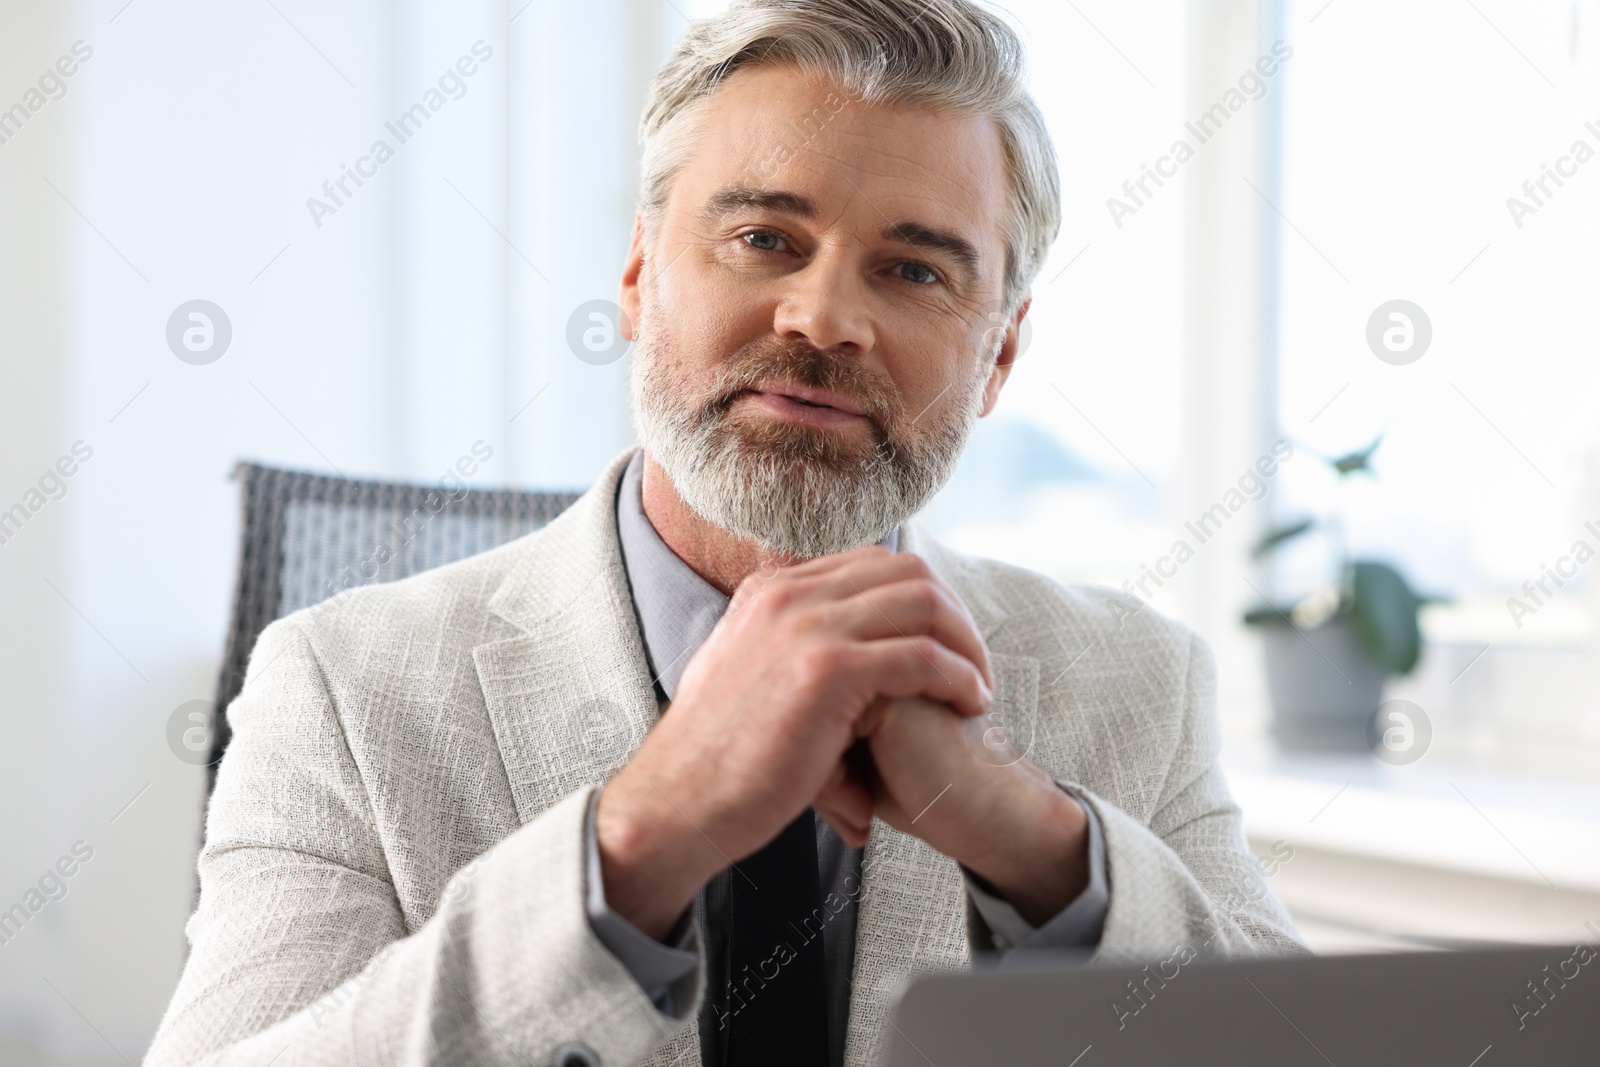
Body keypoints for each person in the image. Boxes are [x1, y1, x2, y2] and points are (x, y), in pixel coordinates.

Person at [145, 1, 1303, 1064]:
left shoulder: (1139, 683)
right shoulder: (343, 688)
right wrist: (636, 840)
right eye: (764, 238)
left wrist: (1044, 849)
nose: (825, 317)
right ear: (643, 276)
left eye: (911, 269)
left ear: (997, 353)